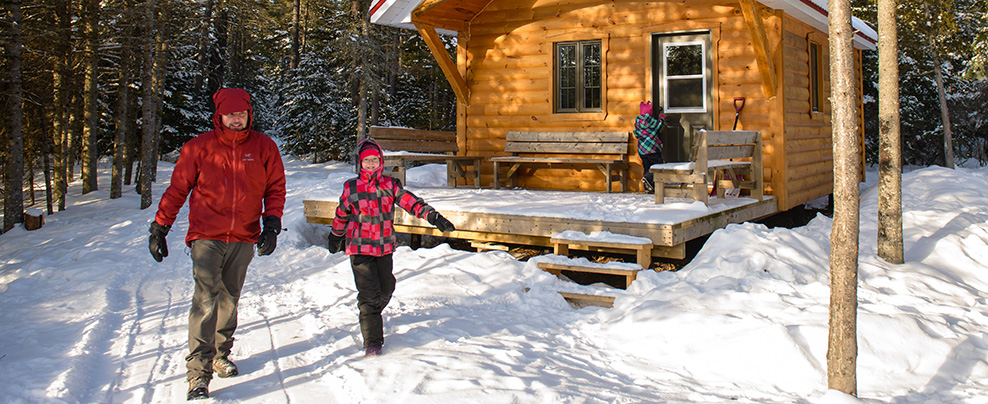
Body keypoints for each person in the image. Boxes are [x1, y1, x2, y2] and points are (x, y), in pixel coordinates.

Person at [147, 88, 286, 400]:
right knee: (206, 300)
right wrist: (160, 227)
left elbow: (275, 187)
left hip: (244, 236)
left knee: (229, 299)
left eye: (241, 113)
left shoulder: (264, 147)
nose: (236, 119)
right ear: (219, 116)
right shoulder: (199, 148)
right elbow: (177, 188)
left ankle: (221, 354)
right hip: (206, 236)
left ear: (249, 113)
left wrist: (272, 223)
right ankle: (199, 373)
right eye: (230, 114)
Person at [326, 138, 455, 356]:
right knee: (368, 295)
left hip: (384, 246)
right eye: (366, 161)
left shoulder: (390, 185)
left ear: (381, 162)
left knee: (386, 288)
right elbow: (341, 214)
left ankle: (371, 313)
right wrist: (335, 234)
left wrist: (433, 216)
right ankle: (373, 342)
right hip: (359, 248)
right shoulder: (351, 187)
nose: (370, 164)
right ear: (360, 163)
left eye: (374, 160)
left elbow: (411, 202)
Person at [634, 101, 666, 193]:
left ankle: (648, 187)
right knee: (658, 166)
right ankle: (648, 178)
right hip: (653, 150)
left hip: (642, 151)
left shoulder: (638, 123)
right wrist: (662, 118)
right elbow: (659, 125)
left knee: (647, 167)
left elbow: (636, 134)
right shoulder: (651, 121)